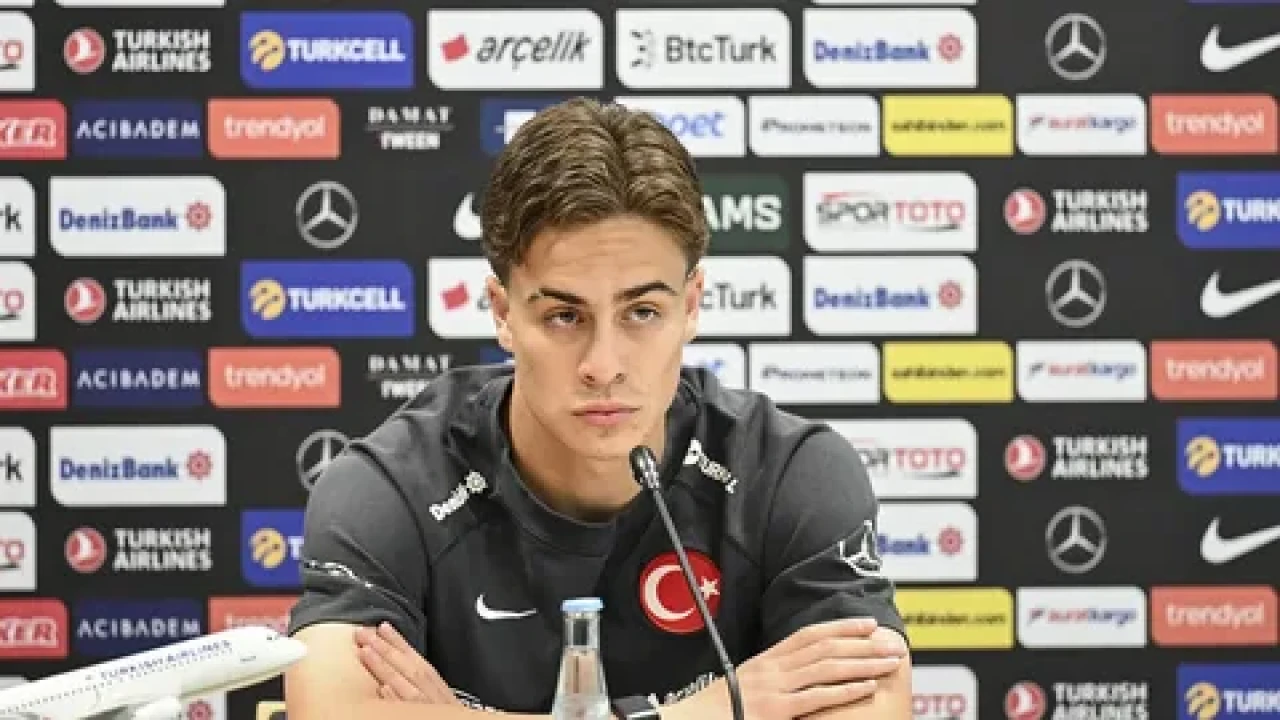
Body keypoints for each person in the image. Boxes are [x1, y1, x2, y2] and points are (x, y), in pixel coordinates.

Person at [284, 97, 912, 720]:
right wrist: (708, 711)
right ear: (503, 313)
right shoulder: (392, 486)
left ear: (691, 305)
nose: (604, 364)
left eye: (642, 312)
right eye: (565, 315)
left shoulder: (790, 474)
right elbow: (329, 712)